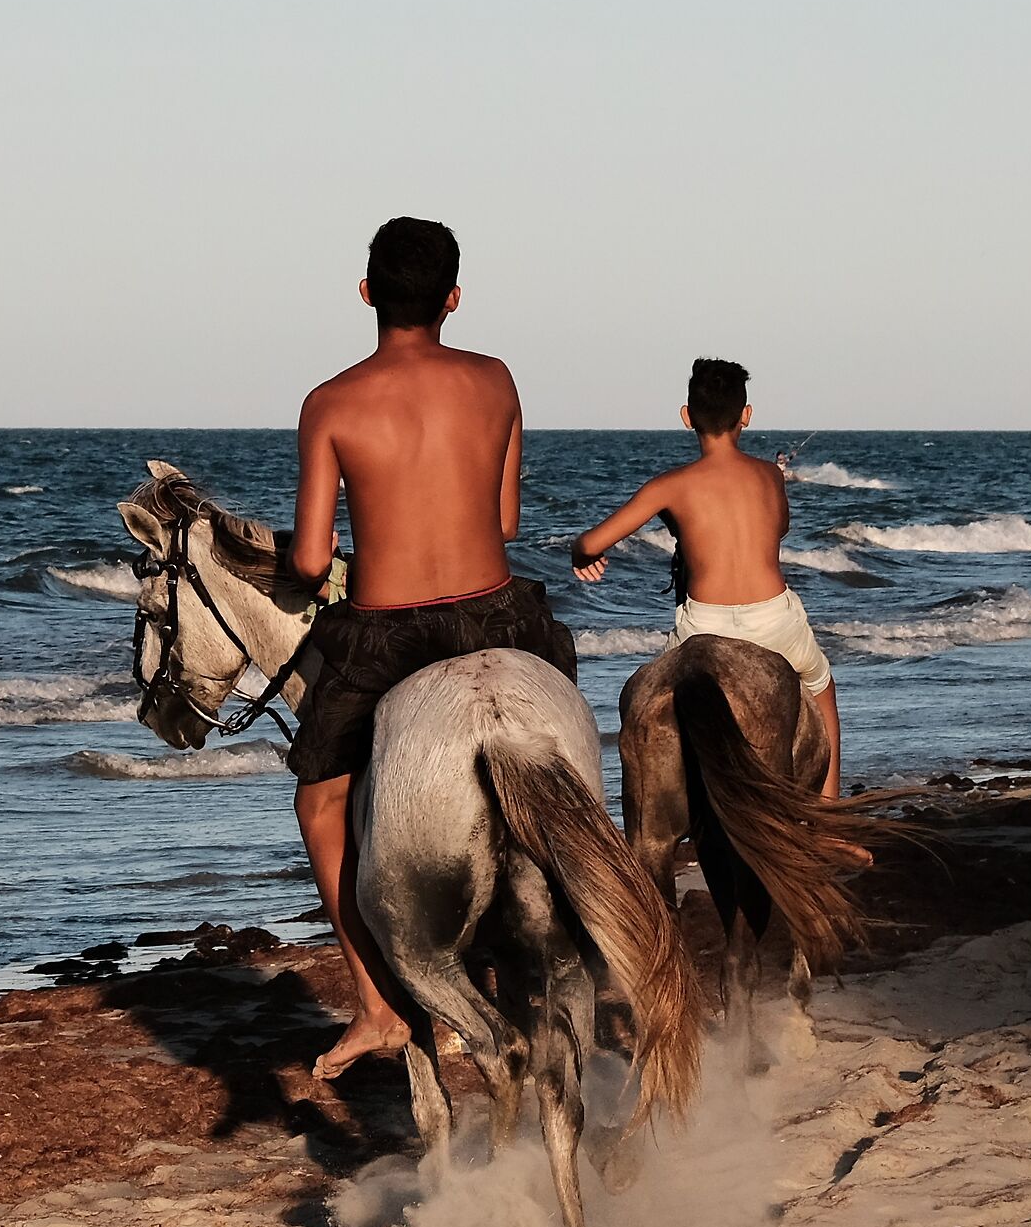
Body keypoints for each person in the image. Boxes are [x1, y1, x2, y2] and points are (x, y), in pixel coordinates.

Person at [285, 217, 578, 1081]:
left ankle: (378, 1008)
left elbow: (308, 561)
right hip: (499, 616)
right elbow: (506, 522)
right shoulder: (496, 379)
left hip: (387, 630)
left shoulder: (330, 403)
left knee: (321, 805)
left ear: (366, 291)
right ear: (453, 298)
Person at [569, 358, 844, 798]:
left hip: (702, 628)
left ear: (686, 416)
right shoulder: (770, 476)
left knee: (649, 707)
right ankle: (830, 819)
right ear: (746, 415)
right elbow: (781, 528)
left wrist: (579, 553)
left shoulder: (669, 486)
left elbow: (593, 542)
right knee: (821, 688)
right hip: (774, 622)